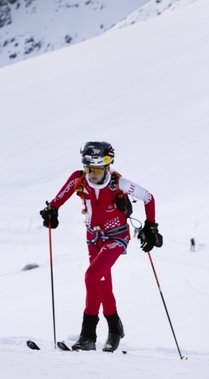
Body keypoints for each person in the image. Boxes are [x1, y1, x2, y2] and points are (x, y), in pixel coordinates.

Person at [40, 141, 162, 352]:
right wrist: (52, 210)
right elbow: (59, 198)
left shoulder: (119, 183)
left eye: (97, 169)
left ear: (106, 166)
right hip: (93, 237)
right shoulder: (79, 178)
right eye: (89, 168)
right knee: (102, 284)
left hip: (116, 237)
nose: (92, 173)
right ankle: (115, 327)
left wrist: (151, 227)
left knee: (92, 276)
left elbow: (148, 198)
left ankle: (88, 336)